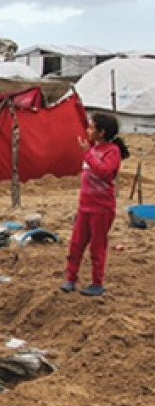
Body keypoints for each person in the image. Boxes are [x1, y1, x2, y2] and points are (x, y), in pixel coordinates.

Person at [60, 112, 130, 297]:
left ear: (102, 132)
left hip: (102, 208)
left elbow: (104, 172)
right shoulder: (94, 149)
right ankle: (71, 278)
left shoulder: (111, 151)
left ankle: (97, 283)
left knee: (97, 247)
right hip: (85, 206)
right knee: (76, 244)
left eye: (92, 127)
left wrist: (87, 154)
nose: (88, 130)